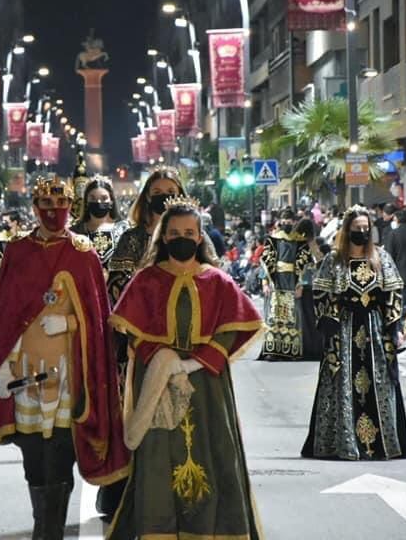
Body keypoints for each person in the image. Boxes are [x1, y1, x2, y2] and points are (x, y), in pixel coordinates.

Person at [0, 176, 128, 540]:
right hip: (24, 372)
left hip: (67, 377)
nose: (53, 215)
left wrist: (71, 321)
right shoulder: (17, 251)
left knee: (59, 453)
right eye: (45, 208)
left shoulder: (83, 253)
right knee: (32, 456)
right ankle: (43, 524)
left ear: (70, 209)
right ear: (34, 209)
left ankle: (50, 531)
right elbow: (4, 316)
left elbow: (97, 317)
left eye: (60, 208)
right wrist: (2, 366)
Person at [106, 198, 263, 539]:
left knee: (214, 450)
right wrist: (165, 361)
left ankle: (212, 529)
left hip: (207, 383)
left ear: (199, 236)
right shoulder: (146, 280)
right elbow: (131, 332)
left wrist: (195, 362)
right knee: (159, 454)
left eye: (189, 232)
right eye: (174, 232)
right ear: (163, 237)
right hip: (159, 384)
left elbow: (235, 327)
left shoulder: (219, 281)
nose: (182, 238)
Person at [303, 206, 406, 460]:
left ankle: (382, 443)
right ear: (347, 231)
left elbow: (394, 290)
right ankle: (343, 441)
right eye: (357, 229)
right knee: (342, 383)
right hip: (343, 327)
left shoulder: (381, 257)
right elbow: (320, 290)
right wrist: (330, 319)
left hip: (374, 329)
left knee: (378, 382)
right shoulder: (334, 260)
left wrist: (393, 327)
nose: (362, 233)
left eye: (366, 229)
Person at [107, 167, 185, 305]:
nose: (165, 196)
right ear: (148, 197)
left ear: (180, 195)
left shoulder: (192, 235)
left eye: (171, 192)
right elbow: (116, 285)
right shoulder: (131, 238)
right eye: (157, 192)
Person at [258, 209, 315, 360]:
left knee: (292, 315)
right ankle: (273, 350)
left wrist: (301, 284)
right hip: (276, 280)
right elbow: (265, 263)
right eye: (284, 222)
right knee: (275, 314)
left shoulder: (300, 240)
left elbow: (305, 264)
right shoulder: (273, 239)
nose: (287, 224)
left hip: (293, 281)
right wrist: (264, 282)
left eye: (289, 222)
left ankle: (291, 351)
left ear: (294, 222)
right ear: (280, 222)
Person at [70, 175, 128, 273]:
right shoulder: (74, 233)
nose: (98, 202)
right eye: (93, 198)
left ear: (111, 201)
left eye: (104, 198)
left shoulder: (125, 230)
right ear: (86, 202)